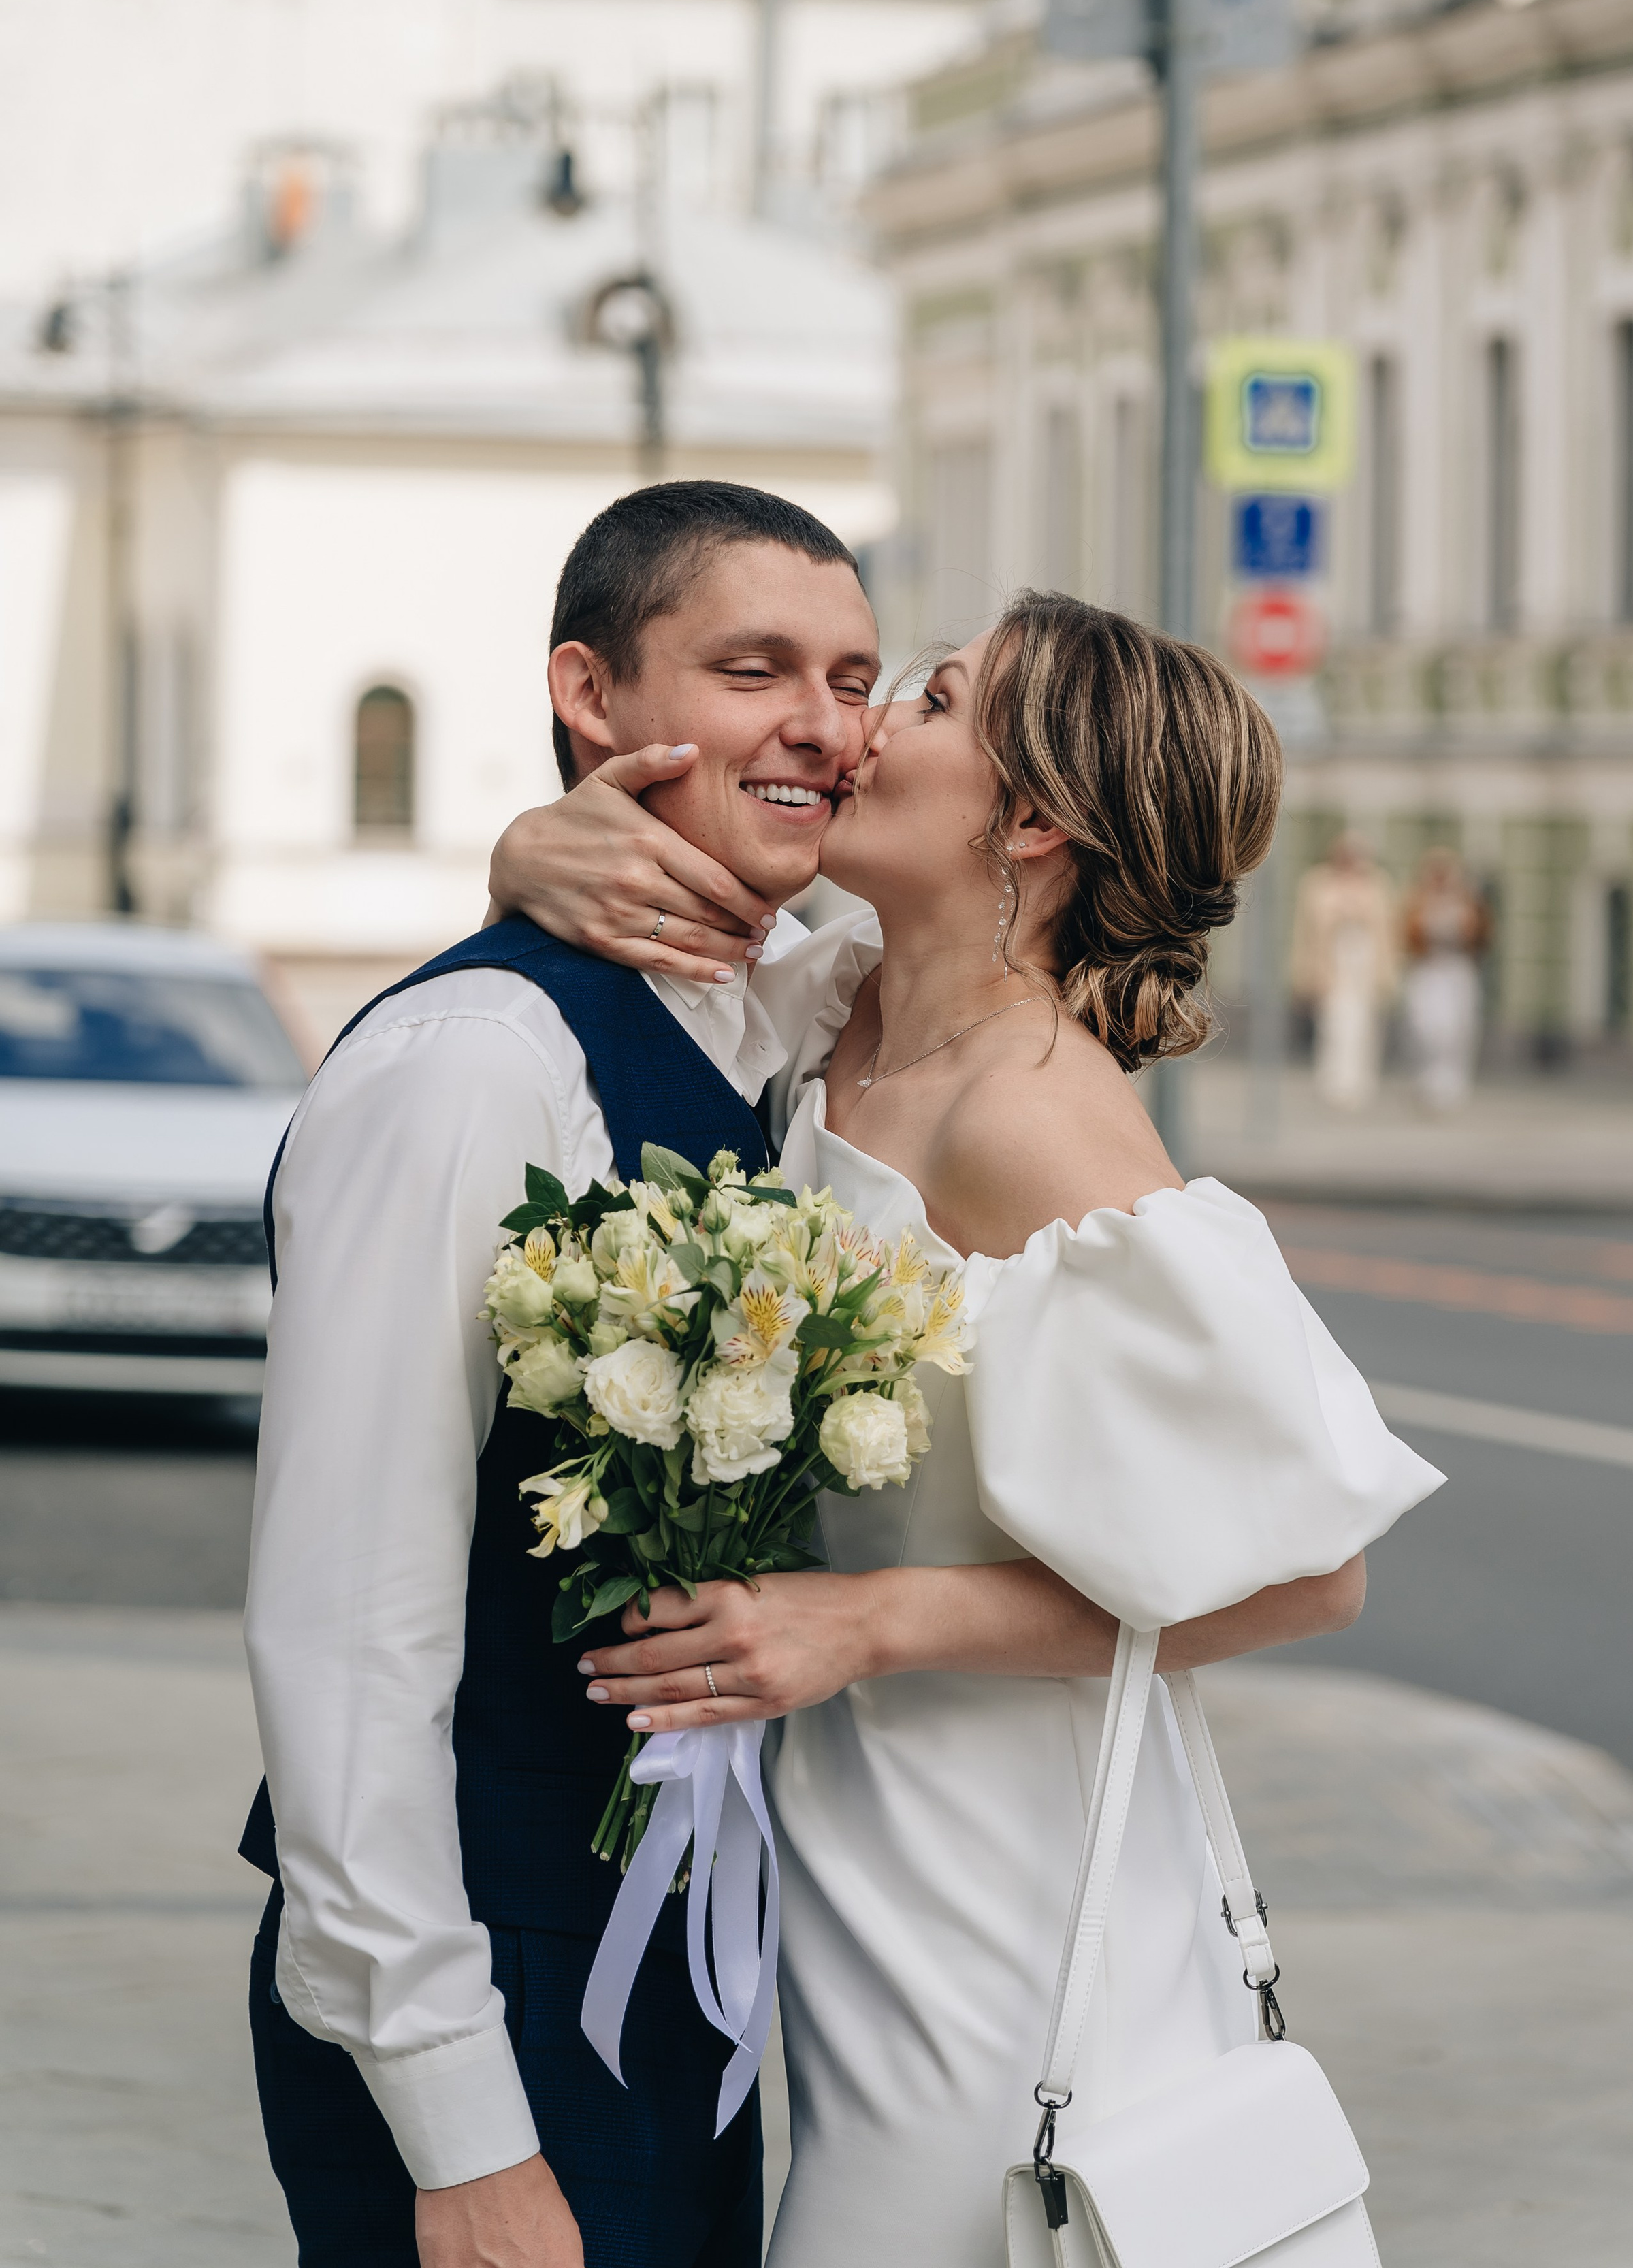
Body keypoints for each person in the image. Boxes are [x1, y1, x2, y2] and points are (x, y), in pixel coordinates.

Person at [242, 484, 1392, 2268]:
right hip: (762, 1915)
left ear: (1036, 826)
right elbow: (350, 1631)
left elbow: (1313, 1563)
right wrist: (525, 862)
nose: (847, 728)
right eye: (777, 672)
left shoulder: (1024, 1107)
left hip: (993, 1913)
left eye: (903, 692)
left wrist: (868, 1627)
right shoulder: (818, 1015)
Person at [1289, 832, 1398, 1109]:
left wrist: (1387, 972)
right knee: (1334, 1023)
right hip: (1332, 961)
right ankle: (1335, 1082)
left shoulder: (1376, 884)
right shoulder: (1319, 882)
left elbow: (1386, 930)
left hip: (1363, 961)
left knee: (1364, 1025)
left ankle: (1359, 1083)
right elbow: (1307, 930)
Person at [1400, 846, 1490, 1110]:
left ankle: (1451, 1087)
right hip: (1429, 970)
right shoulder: (1419, 901)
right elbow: (1409, 935)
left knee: (1457, 1030)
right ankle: (1428, 1082)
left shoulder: (1466, 902)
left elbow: (1480, 935)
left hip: (1456, 970)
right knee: (1426, 1027)